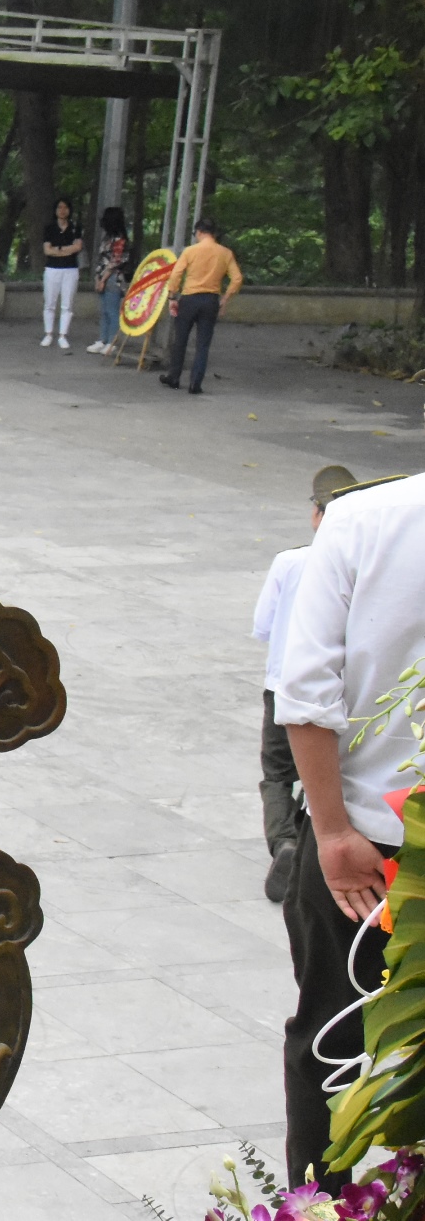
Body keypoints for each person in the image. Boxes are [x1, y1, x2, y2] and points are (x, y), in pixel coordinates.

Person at [275, 470, 425, 1191]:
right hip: (368, 853)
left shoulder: (363, 518)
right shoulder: (361, 518)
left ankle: (318, 1204)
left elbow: (303, 689)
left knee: (330, 1045)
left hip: (363, 842)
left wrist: (331, 831)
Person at [252, 464, 356, 904]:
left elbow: (263, 626)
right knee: (335, 767)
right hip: (342, 687)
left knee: (277, 774)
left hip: (283, 686)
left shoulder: (290, 561)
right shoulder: (359, 564)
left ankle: (286, 844)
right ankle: (313, 839)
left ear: (316, 514)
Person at [159, 217, 244, 396]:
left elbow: (176, 274)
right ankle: (195, 384)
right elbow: (237, 279)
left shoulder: (190, 251)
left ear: (199, 232)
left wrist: (172, 297)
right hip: (211, 300)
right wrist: (225, 299)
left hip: (189, 298)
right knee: (203, 344)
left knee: (180, 340)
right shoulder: (225, 253)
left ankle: (174, 377)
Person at [38, 197, 83, 351]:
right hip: (52, 269)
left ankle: (63, 335)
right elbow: (47, 250)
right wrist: (65, 250)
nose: (62, 210)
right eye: (59, 207)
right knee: (49, 302)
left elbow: (78, 247)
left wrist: (58, 250)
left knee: (67, 304)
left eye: (65, 207)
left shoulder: (75, 226)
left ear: (69, 210)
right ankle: (48, 333)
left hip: (70, 269)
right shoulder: (49, 227)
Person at [86, 206, 131, 356]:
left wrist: (103, 278)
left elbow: (115, 261)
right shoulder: (108, 238)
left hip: (113, 278)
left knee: (112, 311)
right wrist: (97, 277)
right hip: (102, 276)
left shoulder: (119, 239)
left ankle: (112, 341)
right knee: (104, 310)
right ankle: (102, 339)